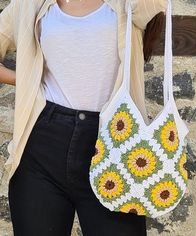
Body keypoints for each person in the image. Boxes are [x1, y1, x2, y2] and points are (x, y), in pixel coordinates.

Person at [0, 0, 167, 235]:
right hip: (43, 144)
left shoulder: (130, 3)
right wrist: (27, 78)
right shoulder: (30, 5)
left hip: (116, 143)